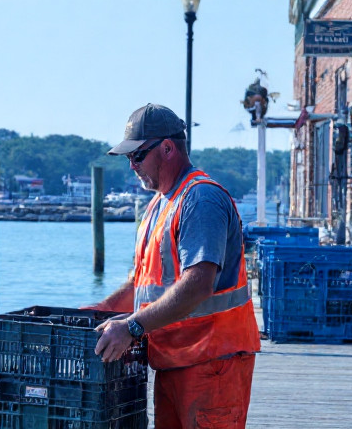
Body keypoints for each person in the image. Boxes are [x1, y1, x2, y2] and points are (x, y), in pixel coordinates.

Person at [88, 103, 261, 428]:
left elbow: (198, 284)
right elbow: (141, 287)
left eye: (136, 156)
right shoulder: (160, 204)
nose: (131, 166)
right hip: (173, 361)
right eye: (128, 158)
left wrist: (132, 327)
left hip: (212, 364)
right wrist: (96, 312)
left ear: (167, 148)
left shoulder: (200, 199)